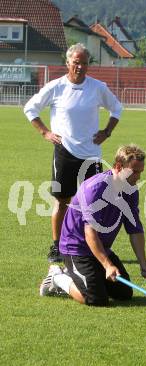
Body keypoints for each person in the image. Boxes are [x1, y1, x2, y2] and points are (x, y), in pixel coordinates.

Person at [24, 43, 123, 263]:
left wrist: (107, 131)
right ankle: (56, 246)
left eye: (84, 63)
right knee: (62, 201)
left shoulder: (97, 87)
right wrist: (45, 132)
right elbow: (30, 108)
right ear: (68, 63)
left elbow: (117, 108)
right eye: (76, 62)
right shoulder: (56, 87)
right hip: (65, 153)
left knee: (94, 202)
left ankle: (95, 246)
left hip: (92, 155)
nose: (80, 67)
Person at [39, 144, 146, 306]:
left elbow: (134, 229)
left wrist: (143, 264)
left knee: (124, 294)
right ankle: (57, 277)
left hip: (101, 249)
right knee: (96, 299)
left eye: (140, 172)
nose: (138, 177)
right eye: (134, 171)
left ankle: (83, 276)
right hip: (77, 249)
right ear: (118, 167)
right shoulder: (94, 189)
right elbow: (90, 233)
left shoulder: (131, 190)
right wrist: (107, 265)